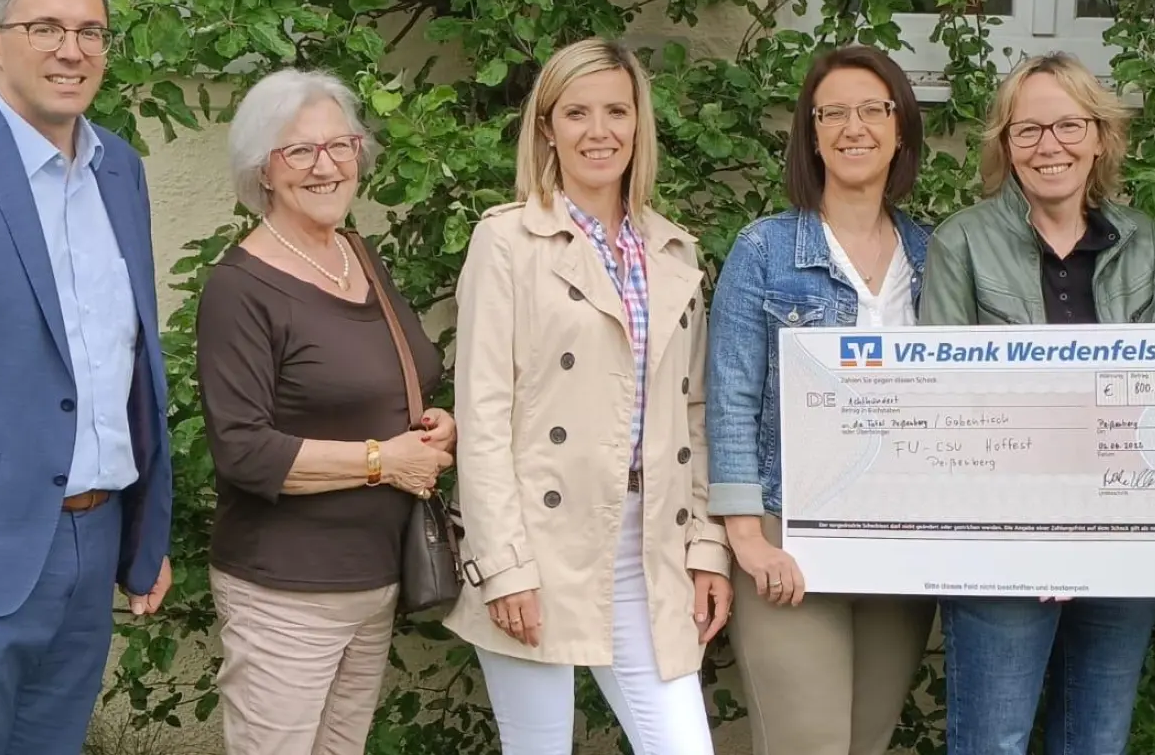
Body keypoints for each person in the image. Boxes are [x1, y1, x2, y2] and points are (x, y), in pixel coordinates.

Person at [444, 37, 732, 755]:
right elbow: (482, 414)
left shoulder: (674, 249)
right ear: (546, 127)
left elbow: (694, 413)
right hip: (539, 537)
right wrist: (504, 564)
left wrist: (707, 546)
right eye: (576, 112)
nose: (598, 131)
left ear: (639, 123)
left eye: (615, 110)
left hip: (651, 541)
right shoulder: (508, 241)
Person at [0, 0, 175, 754]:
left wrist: (146, 532)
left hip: (89, 549)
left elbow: (129, 364)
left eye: (91, 31)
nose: (72, 50)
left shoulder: (120, 172)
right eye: (46, 27)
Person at [918, 51, 1155, 755]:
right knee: (991, 742)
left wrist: (1093, 535)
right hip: (1003, 551)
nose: (1049, 146)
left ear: (1100, 136)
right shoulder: (962, 242)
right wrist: (1038, 543)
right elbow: (944, 414)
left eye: (1068, 125)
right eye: (1027, 131)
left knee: (1095, 740)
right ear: (1005, 146)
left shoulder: (1142, 241)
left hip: (1121, 539)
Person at [193, 68, 456, 755]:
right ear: (264, 170)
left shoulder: (359, 257)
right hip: (285, 593)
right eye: (300, 151)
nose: (326, 165)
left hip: (373, 579)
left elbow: (396, 380)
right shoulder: (239, 289)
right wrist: (382, 461)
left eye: (339, 145)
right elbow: (245, 451)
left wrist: (432, 425)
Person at [705, 45, 937, 755]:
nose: (853, 127)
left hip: (902, 545)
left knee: (863, 745)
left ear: (900, 128)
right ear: (811, 133)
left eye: (873, 109)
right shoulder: (765, 251)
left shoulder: (935, 255)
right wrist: (746, 537)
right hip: (789, 542)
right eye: (831, 112)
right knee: (808, 744)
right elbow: (730, 395)